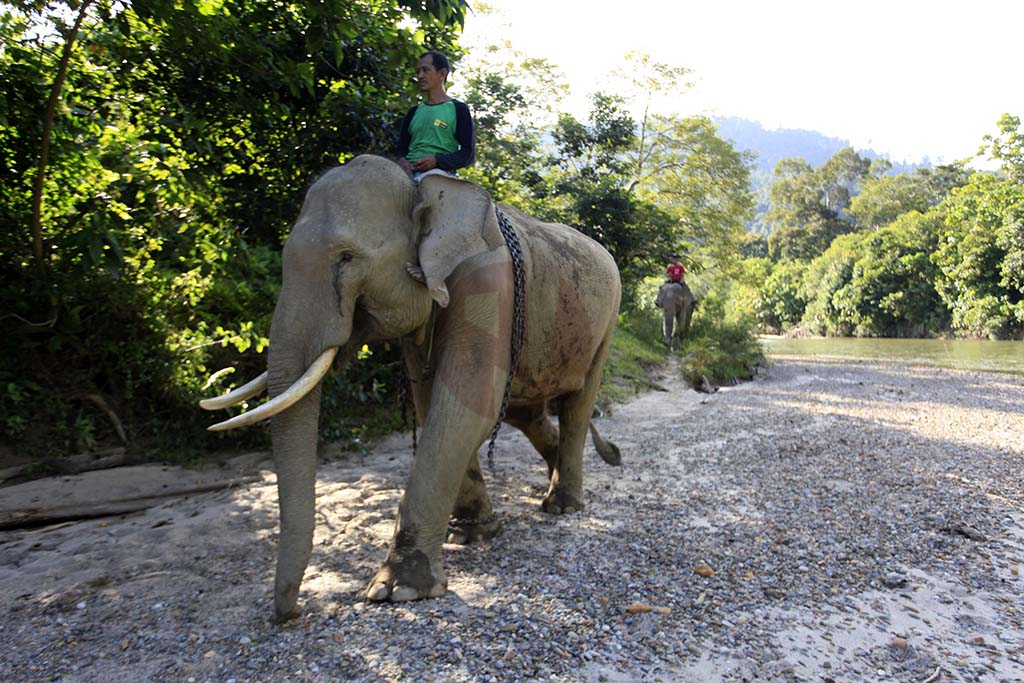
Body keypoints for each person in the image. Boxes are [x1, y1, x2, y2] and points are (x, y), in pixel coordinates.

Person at [395, 50, 475, 181]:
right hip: (406, 175)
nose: (420, 76)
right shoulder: (413, 112)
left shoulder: (458, 109)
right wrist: (402, 161)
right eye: (418, 71)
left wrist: (437, 161)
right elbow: (400, 150)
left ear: (442, 73)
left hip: (438, 176)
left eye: (425, 70)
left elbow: (467, 154)